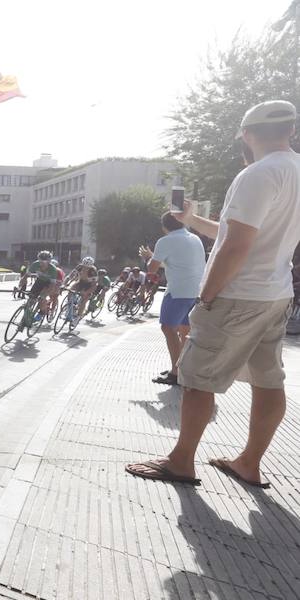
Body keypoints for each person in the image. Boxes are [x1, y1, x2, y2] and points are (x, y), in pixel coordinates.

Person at [127, 99, 300, 487]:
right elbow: (238, 233)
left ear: (247, 134)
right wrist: (192, 221)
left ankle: (181, 461)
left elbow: (236, 245)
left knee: (197, 377)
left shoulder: (257, 174)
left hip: (237, 293)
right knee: (269, 380)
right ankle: (248, 463)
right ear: (291, 130)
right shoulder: (296, 171)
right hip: (276, 292)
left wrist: (207, 295)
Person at [138, 212, 207, 386]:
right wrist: (156, 256)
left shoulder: (165, 241)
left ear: (164, 227)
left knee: (168, 328)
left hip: (177, 292)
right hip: (196, 291)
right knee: (185, 330)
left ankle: (176, 372)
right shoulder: (195, 239)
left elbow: (151, 270)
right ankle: (183, 368)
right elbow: (176, 262)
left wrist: (149, 257)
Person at [25, 250, 62, 316]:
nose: (42, 264)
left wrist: (45, 294)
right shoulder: (35, 264)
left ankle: (42, 313)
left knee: (42, 299)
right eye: (40, 261)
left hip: (48, 283)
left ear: (49, 262)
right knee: (31, 299)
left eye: (44, 262)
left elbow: (52, 285)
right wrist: (21, 285)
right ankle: (27, 316)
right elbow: (26, 275)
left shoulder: (53, 269)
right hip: (39, 281)